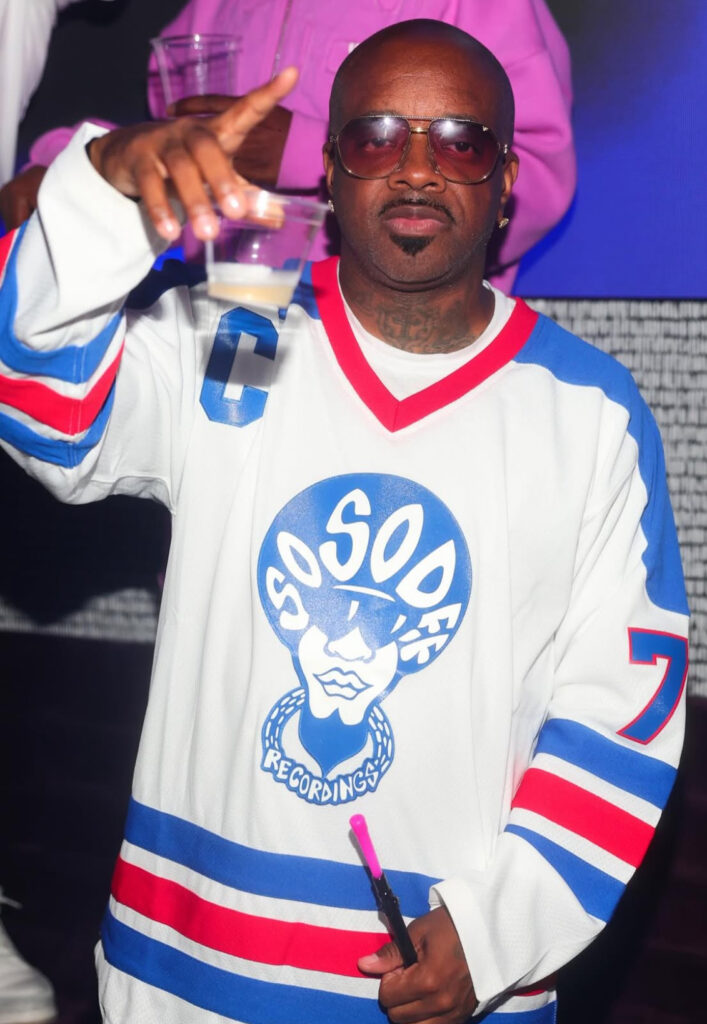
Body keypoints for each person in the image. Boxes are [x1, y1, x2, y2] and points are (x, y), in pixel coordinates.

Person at [0, 19, 688, 1024]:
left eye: (459, 141)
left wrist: (495, 935)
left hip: (442, 991)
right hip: (182, 976)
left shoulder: (587, 415)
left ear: (504, 180)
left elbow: (619, 713)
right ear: (326, 170)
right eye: (375, 135)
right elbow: (44, 411)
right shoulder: (239, 342)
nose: (415, 166)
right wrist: (103, 190)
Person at [0, 0, 575, 289]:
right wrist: (72, 171)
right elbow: (177, 131)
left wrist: (304, 151)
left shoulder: (486, 7)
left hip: (391, 345)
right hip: (221, 327)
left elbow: (536, 175)